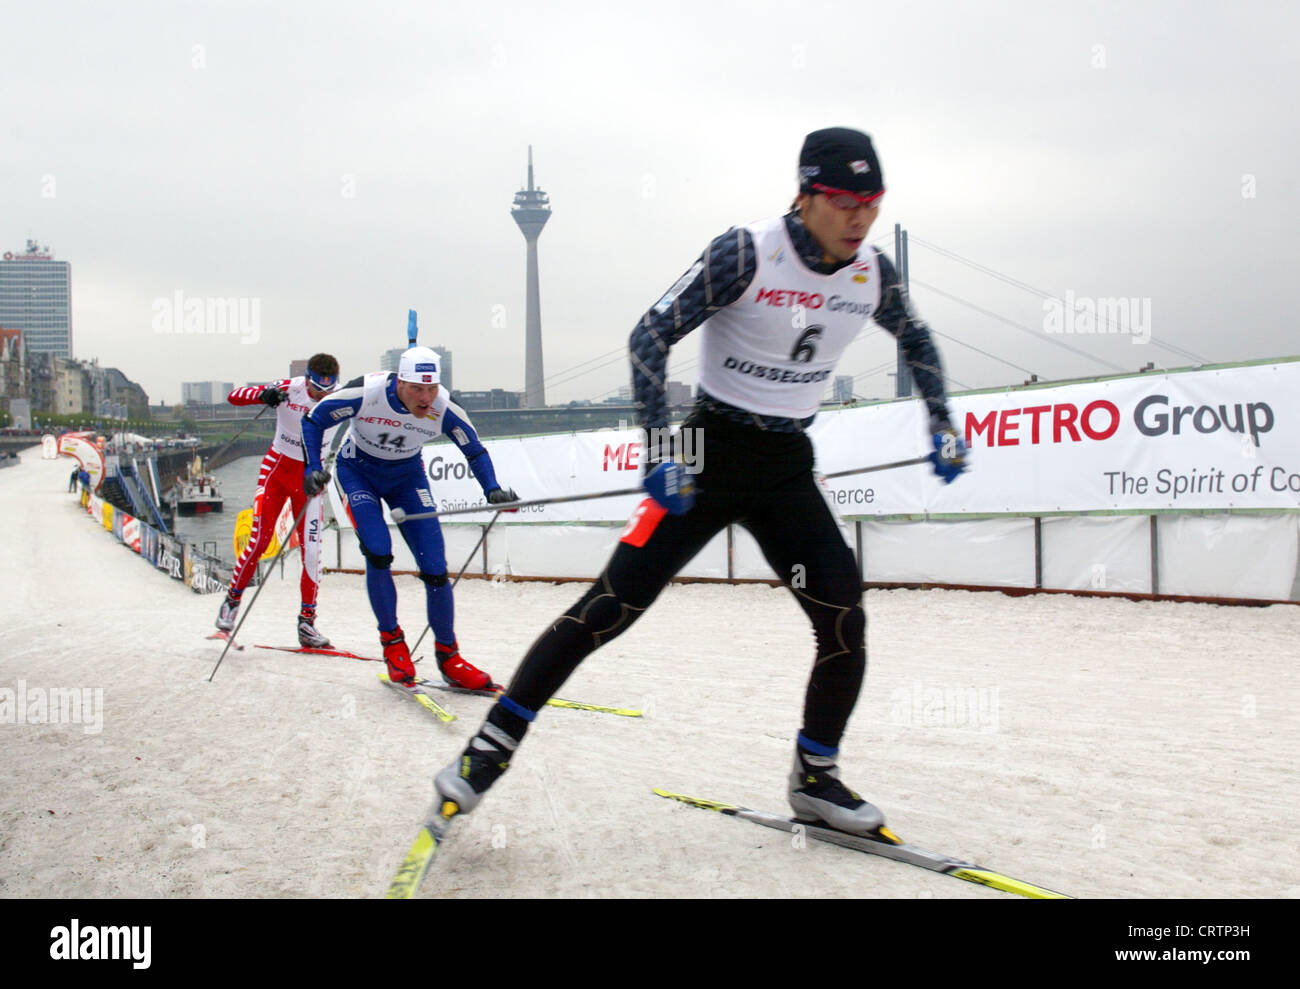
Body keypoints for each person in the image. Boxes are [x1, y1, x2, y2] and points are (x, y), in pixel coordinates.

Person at [434, 127, 969, 837]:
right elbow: (650, 334)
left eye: (872, 202)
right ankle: (485, 752)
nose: (860, 219)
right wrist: (663, 446)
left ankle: (816, 776)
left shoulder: (871, 270)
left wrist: (941, 419)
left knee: (843, 616)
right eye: (844, 202)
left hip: (784, 467)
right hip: (707, 451)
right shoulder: (746, 250)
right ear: (807, 195)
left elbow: (918, 337)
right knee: (609, 608)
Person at [300, 346, 518, 691]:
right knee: (378, 550)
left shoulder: (443, 406)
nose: (426, 398)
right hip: (358, 472)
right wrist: (312, 467)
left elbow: (473, 448)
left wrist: (492, 489)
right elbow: (314, 420)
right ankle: (393, 643)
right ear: (400, 382)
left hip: (407, 478)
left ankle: (449, 657)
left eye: (432, 389)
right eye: (417, 388)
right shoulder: (367, 392)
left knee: (435, 566)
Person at [213, 353, 342, 647]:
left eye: (326, 389)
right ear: (307, 378)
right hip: (277, 470)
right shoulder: (290, 387)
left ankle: (307, 624)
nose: (319, 394)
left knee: (312, 551)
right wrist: (264, 394)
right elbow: (235, 397)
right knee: (260, 539)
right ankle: (231, 602)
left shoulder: (341, 397)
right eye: (315, 388)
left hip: (310, 478)